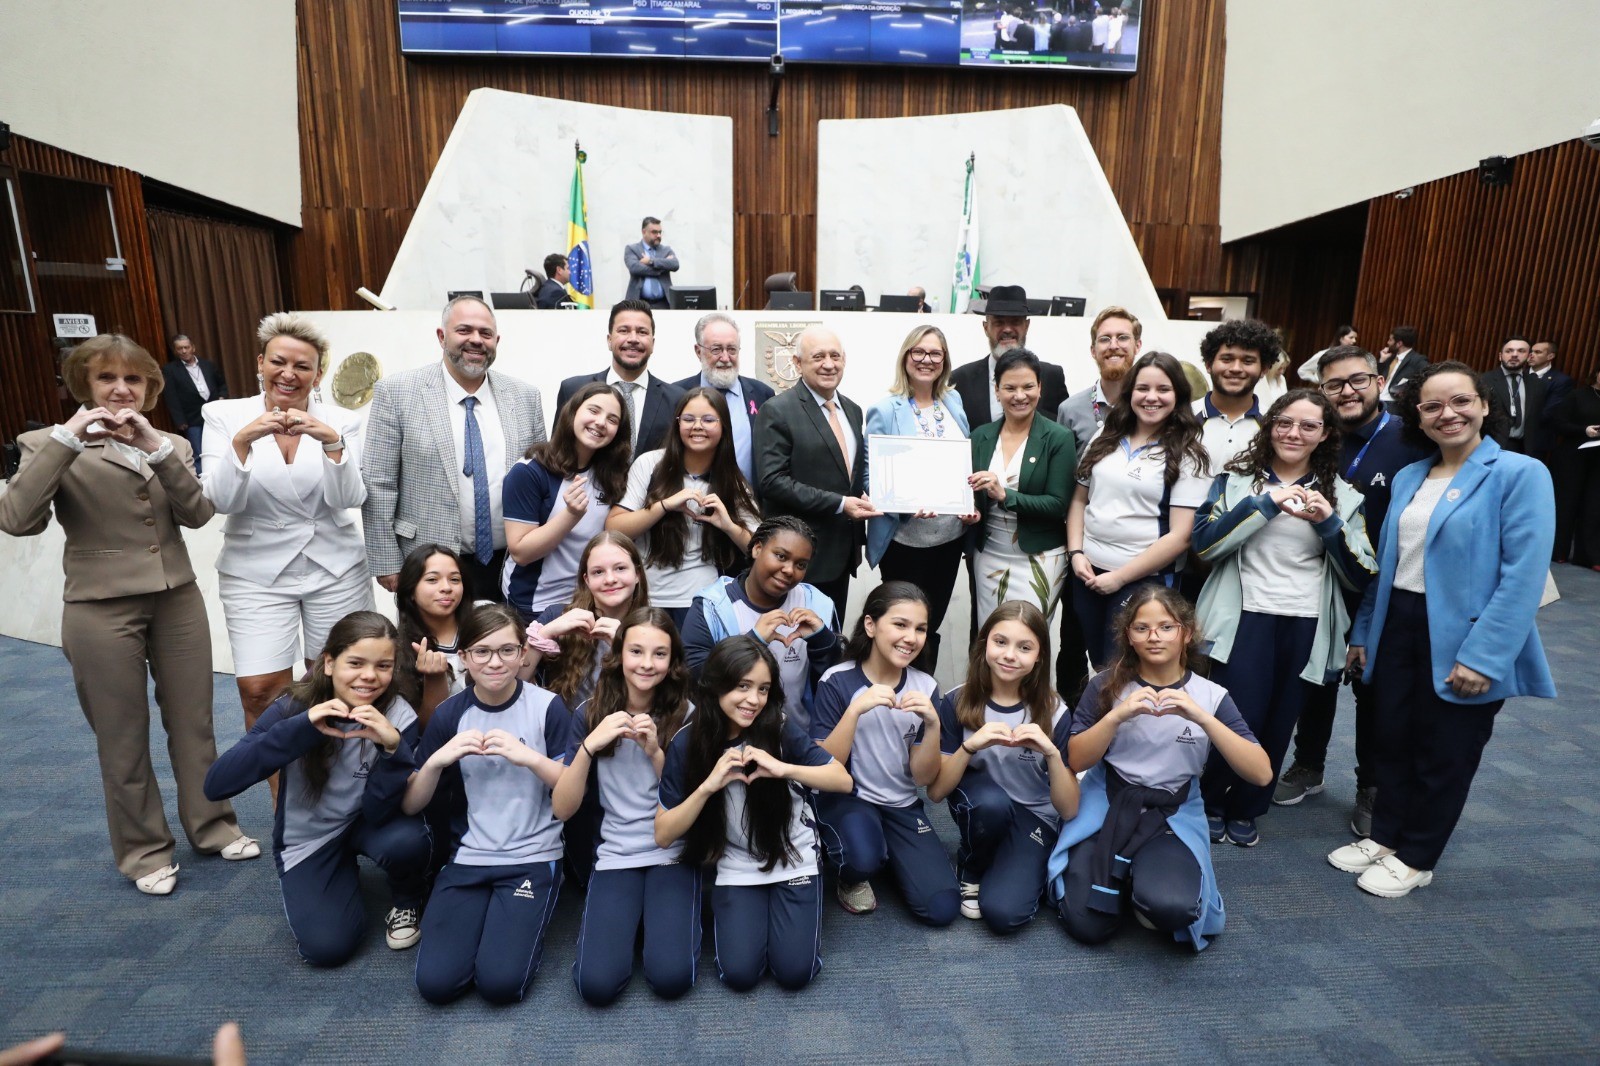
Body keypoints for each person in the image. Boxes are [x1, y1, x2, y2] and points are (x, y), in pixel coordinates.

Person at [0, 334, 255, 896]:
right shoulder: (48, 442)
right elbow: (18, 520)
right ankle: (143, 851)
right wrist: (67, 440)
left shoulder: (169, 444)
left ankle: (212, 826)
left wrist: (157, 451)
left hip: (176, 598)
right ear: (83, 387)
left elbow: (197, 513)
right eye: (106, 379)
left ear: (151, 388)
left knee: (194, 724)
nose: (121, 390)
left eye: (134, 380)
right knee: (122, 735)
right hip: (98, 606)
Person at [1331, 361, 1555, 898]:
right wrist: (1363, 632)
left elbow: (1523, 576)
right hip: (1397, 622)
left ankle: (1418, 854)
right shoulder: (1412, 475)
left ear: (1483, 405)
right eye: (1431, 406)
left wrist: (1485, 656)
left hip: (1465, 634)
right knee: (1392, 739)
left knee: (1445, 751)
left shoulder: (1520, 474)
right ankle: (1386, 835)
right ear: (1418, 417)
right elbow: (1389, 564)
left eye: (1459, 401)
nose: (1446, 414)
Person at [1192, 389, 1375, 848]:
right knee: (1237, 716)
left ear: (1326, 434)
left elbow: (1359, 576)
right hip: (1244, 617)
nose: (1294, 433)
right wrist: (1266, 505)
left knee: (1278, 721)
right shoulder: (1236, 482)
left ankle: (1248, 808)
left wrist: (1329, 521)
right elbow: (1206, 546)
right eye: (1285, 422)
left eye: (1308, 425)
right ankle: (1211, 802)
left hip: (1306, 623)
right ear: (1269, 426)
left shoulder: (1346, 497)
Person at [204, 612, 432, 964]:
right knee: (328, 948)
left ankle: (407, 898)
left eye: (383, 666)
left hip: (365, 820)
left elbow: (379, 810)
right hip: (310, 837)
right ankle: (336, 874)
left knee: (408, 841)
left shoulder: (398, 716)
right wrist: (303, 727)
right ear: (328, 663)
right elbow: (218, 784)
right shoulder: (292, 707)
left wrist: (393, 751)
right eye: (355, 663)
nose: (369, 676)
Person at [1048, 586, 1270, 949]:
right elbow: (1076, 760)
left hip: (1172, 810)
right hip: (1109, 803)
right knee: (1086, 927)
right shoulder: (1105, 685)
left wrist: (1201, 717)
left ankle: (1141, 881)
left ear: (1186, 633)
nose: (1154, 637)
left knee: (1172, 910)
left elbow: (1260, 773)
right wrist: (1117, 716)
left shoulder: (1210, 695)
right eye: (1142, 628)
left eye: (1166, 627)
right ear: (1128, 637)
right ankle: (1126, 879)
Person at [202, 313, 371, 761]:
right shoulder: (223, 416)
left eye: (303, 366)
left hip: (334, 566)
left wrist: (333, 444)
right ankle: (282, 806)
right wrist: (241, 444)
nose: (289, 374)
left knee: (338, 681)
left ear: (318, 373)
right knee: (260, 691)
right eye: (279, 362)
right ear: (260, 363)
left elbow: (351, 497)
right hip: (255, 570)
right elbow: (219, 500)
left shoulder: (343, 421)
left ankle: (335, 795)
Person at [1274, 346, 1429, 834]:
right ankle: (1309, 764)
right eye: (1334, 384)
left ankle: (1371, 784)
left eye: (1357, 380)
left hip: (1383, 582)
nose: (1347, 391)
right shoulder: (1316, 437)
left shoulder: (1410, 439)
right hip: (1319, 577)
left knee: (1372, 686)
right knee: (1316, 676)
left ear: (1380, 381)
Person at [654, 637, 853, 992]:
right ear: (716, 683)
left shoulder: (777, 727)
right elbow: (664, 834)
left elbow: (842, 780)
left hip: (793, 855)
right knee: (739, 975)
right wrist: (707, 786)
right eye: (743, 686)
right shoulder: (687, 742)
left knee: (795, 974)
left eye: (762, 689)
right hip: (736, 862)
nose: (753, 700)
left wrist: (783, 768)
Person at [406, 604, 577, 1004]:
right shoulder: (451, 713)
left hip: (533, 856)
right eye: (481, 651)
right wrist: (436, 760)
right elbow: (412, 803)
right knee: (436, 985)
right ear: (463, 657)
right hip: (469, 858)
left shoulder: (547, 706)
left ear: (522, 654)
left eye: (506, 651)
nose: (494, 662)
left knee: (500, 985)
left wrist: (529, 758)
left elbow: (572, 793)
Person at [552, 607, 696, 1006]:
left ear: (673, 662)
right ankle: (633, 920)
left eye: (660, 654)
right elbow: (563, 809)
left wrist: (655, 752)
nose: (647, 664)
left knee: (671, 979)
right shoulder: (588, 713)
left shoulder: (688, 715)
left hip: (673, 852)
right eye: (636, 651)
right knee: (595, 987)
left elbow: (692, 803)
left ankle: (652, 921)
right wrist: (587, 746)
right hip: (616, 853)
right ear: (618, 655)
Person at [362, 294, 547, 601]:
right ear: (441, 336)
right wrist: (387, 561)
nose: (476, 340)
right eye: (464, 330)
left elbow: (541, 480)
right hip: (427, 565)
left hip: (511, 564)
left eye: (485, 334)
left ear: (496, 341)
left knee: (505, 647)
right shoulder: (397, 393)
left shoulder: (525, 397)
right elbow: (378, 482)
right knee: (432, 649)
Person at [811, 582, 958, 922]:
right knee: (861, 858)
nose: (911, 637)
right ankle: (855, 869)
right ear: (871, 625)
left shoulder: (926, 687)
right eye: (900, 624)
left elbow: (922, 777)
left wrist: (933, 725)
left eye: (920, 629)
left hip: (901, 804)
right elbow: (823, 765)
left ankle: (891, 851)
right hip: (850, 797)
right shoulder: (837, 680)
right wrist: (854, 711)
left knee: (941, 909)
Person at [929, 602, 1078, 934]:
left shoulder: (1056, 712)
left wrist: (1052, 754)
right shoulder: (956, 701)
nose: (1010, 655)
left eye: (1025, 647)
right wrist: (971, 745)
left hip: (1035, 815)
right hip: (986, 806)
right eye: (1001, 642)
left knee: (1002, 914)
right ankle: (973, 863)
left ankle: (1019, 861)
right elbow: (937, 792)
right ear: (984, 645)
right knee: (991, 804)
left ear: (1039, 656)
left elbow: (1068, 809)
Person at [1067, 351, 1211, 669]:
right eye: (1143, 388)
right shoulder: (1105, 436)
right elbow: (1079, 499)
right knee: (1101, 666)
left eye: (1163, 389)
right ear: (1130, 391)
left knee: (1129, 669)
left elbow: (1181, 536)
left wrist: (1119, 578)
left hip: (1144, 581)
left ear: (1179, 395)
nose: (1151, 397)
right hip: (1088, 574)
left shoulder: (1188, 454)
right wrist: (1076, 553)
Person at [864, 325, 973, 673]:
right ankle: (888, 691)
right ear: (906, 357)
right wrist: (905, 502)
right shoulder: (885, 409)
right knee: (899, 624)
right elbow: (871, 475)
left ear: (944, 360)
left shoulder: (953, 402)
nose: (927, 360)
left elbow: (964, 463)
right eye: (919, 352)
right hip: (905, 540)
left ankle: (921, 696)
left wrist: (967, 503)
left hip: (948, 539)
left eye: (935, 353)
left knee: (930, 624)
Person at [608, 388, 760, 627]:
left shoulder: (732, 479)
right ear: (677, 424)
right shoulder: (650, 463)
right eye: (688, 419)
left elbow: (759, 548)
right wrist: (664, 506)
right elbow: (614, 529)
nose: (697, 426)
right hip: (646, 596)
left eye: (708, 420)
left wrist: (729, 526)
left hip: (703, 600)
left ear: (723, 427)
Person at [754, 325, 879, 611]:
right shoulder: (777, 410)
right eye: (818, 356)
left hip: (842, 554)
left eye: (835, 356)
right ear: (797, 363)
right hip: (796, 557)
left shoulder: (853, 409)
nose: (828, 364)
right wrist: (839, 504)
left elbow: (848, 476)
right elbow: (772, 481)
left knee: (829, 643)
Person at [682, 516, 840, 728]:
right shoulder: (712, 606)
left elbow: (836, 684)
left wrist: (822, 640)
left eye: (801, 564)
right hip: (726, 741)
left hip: (796, 740)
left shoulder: (817, 604)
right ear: (757, 549)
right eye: (781, 556)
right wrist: (752, 641)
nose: (789, 570)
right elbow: (694, 678)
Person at [502, 383, 631, 618]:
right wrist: (571, 515)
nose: (601, 422)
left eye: (612, 420)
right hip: (534, 606)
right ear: (572, 412)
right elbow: (521, 552)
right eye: (593, 410)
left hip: (591, 603)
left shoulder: (613, 474)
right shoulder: (529, 471)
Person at [968, 348, 1077, 624]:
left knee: (1030, 639)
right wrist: (969, 510)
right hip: (989, 556)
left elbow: (1057, 504)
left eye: (1028, 386)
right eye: (1010, 387)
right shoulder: (980, 436)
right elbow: (970, 493)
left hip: (1040, 558)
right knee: (990, 639)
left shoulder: (1058, 437)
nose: (1019, 396)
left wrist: (1005, 495)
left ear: (1040, 388)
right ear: (997, 390)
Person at [524, 531, 651, 714]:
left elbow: (664, 697)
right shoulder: (557, 616)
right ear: (587, 580)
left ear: (637, 574)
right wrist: (545, 635)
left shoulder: (654, 627)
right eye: (598, 572)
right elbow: (514, 682)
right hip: (565, 734)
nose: (610, 579)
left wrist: (626, 646)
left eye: (620, 568)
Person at [557, 299, 685, 455]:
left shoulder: (677, 399)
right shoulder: (573, 390)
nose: (633, 339)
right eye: (624, 330)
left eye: (642, 332)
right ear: (609, 340)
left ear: (652, 343)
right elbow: (559, 451)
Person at [671, 312, 774, 483]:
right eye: (716, 349)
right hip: (692, 502)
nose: (725, 358)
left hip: (750, 504)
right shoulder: (675, 394)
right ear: (698, 351)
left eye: (732, 349)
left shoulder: (762, 394)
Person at [949, 284, 1068, 429]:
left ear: (1027, 326)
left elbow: (1063, 430)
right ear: (986, 328)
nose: (1007, 329)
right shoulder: (961, 380)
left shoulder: (1051, 376)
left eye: (1015, 322)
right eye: (999, 322)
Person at [394, 543, 475, 724]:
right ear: (411, 590)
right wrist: (434, 680)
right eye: (432, 580)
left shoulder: (485, 617)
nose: (446, 587)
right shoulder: (398, 649)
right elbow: (424, 732)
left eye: (455, 579)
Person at [1056, 305, 1142, 451]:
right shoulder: (1070, 410)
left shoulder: (1149, 406)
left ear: (1137, 346)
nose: (1113, 345)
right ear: (1093, 351)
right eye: (1104, 339)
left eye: (1123, 337)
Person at [1194, 318, 1274, 472]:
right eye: (1227, 359)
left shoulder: (1273, 423)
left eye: (1248, 361)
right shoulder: (1183, 416)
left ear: (1264, 369)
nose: (1236, 368)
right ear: (1209, 364)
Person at [160, 332, 227, 469]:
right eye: (180, 348)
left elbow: (222, 384)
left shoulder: (208, 365)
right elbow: (171, 396)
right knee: (198, 453)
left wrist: (222, 397)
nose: (184, 351)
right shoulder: (170, 370)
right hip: (192, 419)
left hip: (213, 416)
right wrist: (180, 420)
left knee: (218, 448)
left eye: (186, 347)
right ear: (175, 351)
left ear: (193, 348)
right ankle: (204, 484)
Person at [1481, 335, 1548, 456]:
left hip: (1524, 448)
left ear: (1529, 356)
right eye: (1509, 351)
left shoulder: (1537, 385)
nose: (1514, 354)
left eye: (1521, 351)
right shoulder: (1484, 380)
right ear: (1500, 356)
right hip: (1490, 446)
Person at [623, 216, 678, 309]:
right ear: (644, 232)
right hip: (639, 304)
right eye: (654, 232)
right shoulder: (632, 249)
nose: (659, 235)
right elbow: (634, 268)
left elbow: (675, 264)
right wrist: (662, 268)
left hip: (664, 304)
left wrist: (651, 261)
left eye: (660, 232)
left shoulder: (666, 250)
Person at [1377, 325, 1426, 407]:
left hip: (1394, 404)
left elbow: (1424, 380)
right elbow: (1376, 376)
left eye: (1390, 340)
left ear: (1399, 343)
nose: (1388, 343)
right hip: (1378, 399)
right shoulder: (1389, 357)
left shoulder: (1418, 360)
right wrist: (1381, 361)